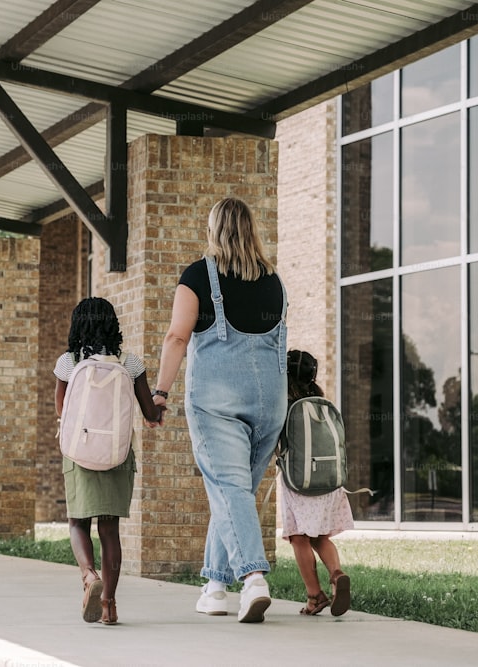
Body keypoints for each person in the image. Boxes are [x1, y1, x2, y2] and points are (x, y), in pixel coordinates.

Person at [151, 198, 287, 623]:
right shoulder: (274, 280)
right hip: (270, 401)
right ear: (251, 229)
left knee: (229, 489)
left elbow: (176, 337)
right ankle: (214, 587)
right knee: (234, 494)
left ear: (214, 229)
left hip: (217, 402)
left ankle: (253, 580)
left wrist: (160, 392)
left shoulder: (197, 275)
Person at [54, 296, 163, 625]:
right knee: (110, 530)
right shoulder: (130, 363)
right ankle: (109, 605)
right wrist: (159, 404)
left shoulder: (69, 362)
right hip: (117, 454)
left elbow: (62, 411)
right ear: (112, 324)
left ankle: (88, 575)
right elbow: (149, 413)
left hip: (80, 452)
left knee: (77, 522)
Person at [281, 349, 353, 616]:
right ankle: (336, 574)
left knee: (299, 537)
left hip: (300, 482)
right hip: (329, 481)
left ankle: (315, 596)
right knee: (321, 536)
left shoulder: (285, 404)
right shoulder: (321, 401)